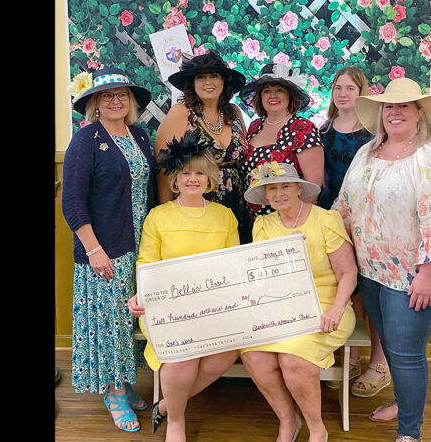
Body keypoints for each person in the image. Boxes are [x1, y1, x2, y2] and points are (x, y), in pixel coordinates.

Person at [333, 77, 431, 442]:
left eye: (404, 106)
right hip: (370, 269)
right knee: (388, 340)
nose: (395, 112)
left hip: (413, 274)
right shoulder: (367, 152)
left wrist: (428, 274)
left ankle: (409, 432)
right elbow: (344, 206)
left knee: (405, 354)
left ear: (419, 113)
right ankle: (405, 403)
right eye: (390, 106)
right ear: (381, 113)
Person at [127, 131, 240, 442]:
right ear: (175, 179)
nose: (193, 179)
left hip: (213, 305)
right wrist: (140, 294)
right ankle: (176, 421)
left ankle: (164, 405)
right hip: (168, 307)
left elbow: (233, 265)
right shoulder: (158, 216)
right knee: (183, 355)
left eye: (200, 173)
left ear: (210, 179)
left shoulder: (225, 216)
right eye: (186, 173)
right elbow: (146, 264)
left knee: (229, 350)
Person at [62, 67, 157, 432]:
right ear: (94, 104)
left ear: (130, 101)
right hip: (103, 249)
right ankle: (114, 391)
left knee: (129, 317)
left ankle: (125, 380)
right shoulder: (85, 141)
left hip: (136, 245)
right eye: (107, 95)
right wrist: (94, 249)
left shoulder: (139, 135)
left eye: (121, 95)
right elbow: (72, 201)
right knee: (109, 324)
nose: (116, 101)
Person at [239, 161, 357, 442]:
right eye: (272, 189)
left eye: (285, 186)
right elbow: (262, 276)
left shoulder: (326, 219)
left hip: (327, 304)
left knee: (293, 358)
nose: (279, 194)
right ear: (265, 196)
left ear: (298, 189)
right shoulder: (263, 224)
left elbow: (348, 272)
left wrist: (338, 308)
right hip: (281, 305)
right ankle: (288, 420)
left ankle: (316, 428)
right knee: (253, 354)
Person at [318, 67, 392, 400]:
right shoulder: (323, 131)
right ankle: (350, 358)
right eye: (338, 87)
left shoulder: (375, 132)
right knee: (345, 290)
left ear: (363, 93)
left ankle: (379, 364)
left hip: (371, 224)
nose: (343, 93)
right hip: (336, 222)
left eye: (350, 87)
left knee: (373, 294)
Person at [155, 50, 253, 243]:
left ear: (224, 81)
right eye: (201, 77)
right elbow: (164, 170)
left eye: (214, 76)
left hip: (239, 206)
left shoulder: (234, 113)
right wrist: (168, 216)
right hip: (195, 207)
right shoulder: (181, 113)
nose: (208, 82)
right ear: (192, 83)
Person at [239, 63, 324, 224]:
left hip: (290, 220)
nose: (273, 95)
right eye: (267, 91)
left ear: (290, 95)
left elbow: (313, 184)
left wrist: (295, 222)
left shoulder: (303, 128)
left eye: (279, 90)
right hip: (255, 221)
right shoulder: (254, 127)